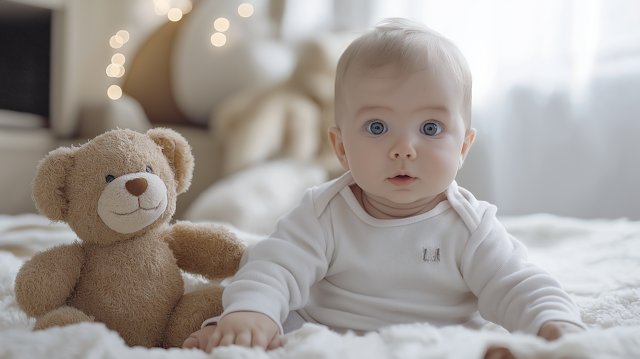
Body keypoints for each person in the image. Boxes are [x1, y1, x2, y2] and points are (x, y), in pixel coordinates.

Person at [183, 18, 586, 356]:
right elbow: (274, 267)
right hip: (326, 336)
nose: (403, 149)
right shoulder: (324, 213)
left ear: (463, 148)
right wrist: (252, 313)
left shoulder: (470, 226)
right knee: (267, 318)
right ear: (341, 147)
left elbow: (517, 282)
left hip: (438, 342)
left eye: (430, 128)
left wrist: (554, 322)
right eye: (377, 127)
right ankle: (234, 331)